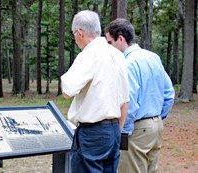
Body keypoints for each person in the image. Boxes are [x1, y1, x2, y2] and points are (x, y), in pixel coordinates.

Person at [61, 10, 129, 173]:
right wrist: (116, 132)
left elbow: (67, 90)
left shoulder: (89, 54)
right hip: (113, 130)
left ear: (80, 33)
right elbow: (125, 100)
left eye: (74, 34)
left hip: (91, 133)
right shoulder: (118, 55)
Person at [105, 18, 175, 173]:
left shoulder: (127, 63)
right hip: (155, 127)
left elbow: (128, 104)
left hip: (136, 130)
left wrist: (122, 134)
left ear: (121, 39)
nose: (108, 47)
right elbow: (169, 95)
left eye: (110, 42)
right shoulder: (153, 57)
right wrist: (155, 119)